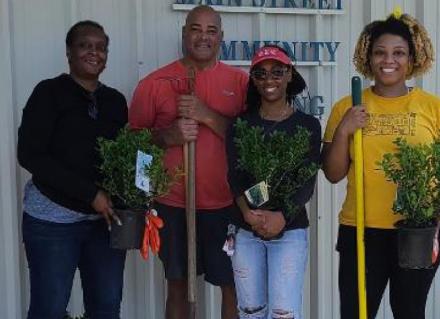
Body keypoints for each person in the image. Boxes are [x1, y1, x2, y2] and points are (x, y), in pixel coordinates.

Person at [321, 10, 440, 319]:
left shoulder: (434, 108)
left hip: (420, 229)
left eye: (399, 53)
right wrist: (345, 129)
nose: (389, 60)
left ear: (413, 58)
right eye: (380, 52)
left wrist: (439, 213)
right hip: (361, 228)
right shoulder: (347, 107)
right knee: (356, 312)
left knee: (408, 310)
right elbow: (333, 174)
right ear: (369, 57)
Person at [129, 5, 248, 319]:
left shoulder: (239, 83)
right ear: (184, 33)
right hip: (173, 204)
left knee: (233, 284)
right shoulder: (155, 83)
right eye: (196, 29)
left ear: (221, 37)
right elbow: (133, 144)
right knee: (178, 285)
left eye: (211, 31)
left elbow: (248, 142)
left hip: (226, 205)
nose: (203, 37)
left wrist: (206, 115)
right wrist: (167, 136)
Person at [17, 20, 128, 319]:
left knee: (106, 307)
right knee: (49, 309)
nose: (94, 52)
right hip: (51, 221)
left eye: (101, 47)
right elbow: (30, 155)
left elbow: (124, 156)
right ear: (69, 52)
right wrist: (90, 193)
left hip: (104, 223)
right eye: (85, 45)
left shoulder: (115, 101)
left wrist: (137, 196)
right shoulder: (48, 93)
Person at [225, 45, 322, 319]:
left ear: (289, 74)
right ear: (253, 79)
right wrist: (248, 214)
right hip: (246, 231)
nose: (269, 79)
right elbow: (235, 176)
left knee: (283, 314)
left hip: (290, 232)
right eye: (261, 73)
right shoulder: (240, 125)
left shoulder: (308, 125)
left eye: (277, 71)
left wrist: (281, 216)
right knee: (250, 311)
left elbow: (306, 181)